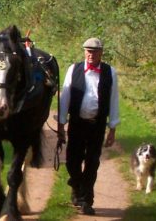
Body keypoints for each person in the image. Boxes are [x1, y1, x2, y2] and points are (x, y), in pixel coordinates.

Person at [57, 37, 119, 216]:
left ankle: (86, 201)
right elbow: (66, 96)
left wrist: (112, 129)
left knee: (92, 163)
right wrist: (61, 124)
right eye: (88, 51)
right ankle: (76, 185)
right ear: (84, 52)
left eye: (94, 51)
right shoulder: (73, 69)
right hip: (77, 123)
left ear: (101, 53)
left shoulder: (110, 72)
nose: (90, 54)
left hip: (97, 126)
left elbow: (114, 101)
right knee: (72, 162)